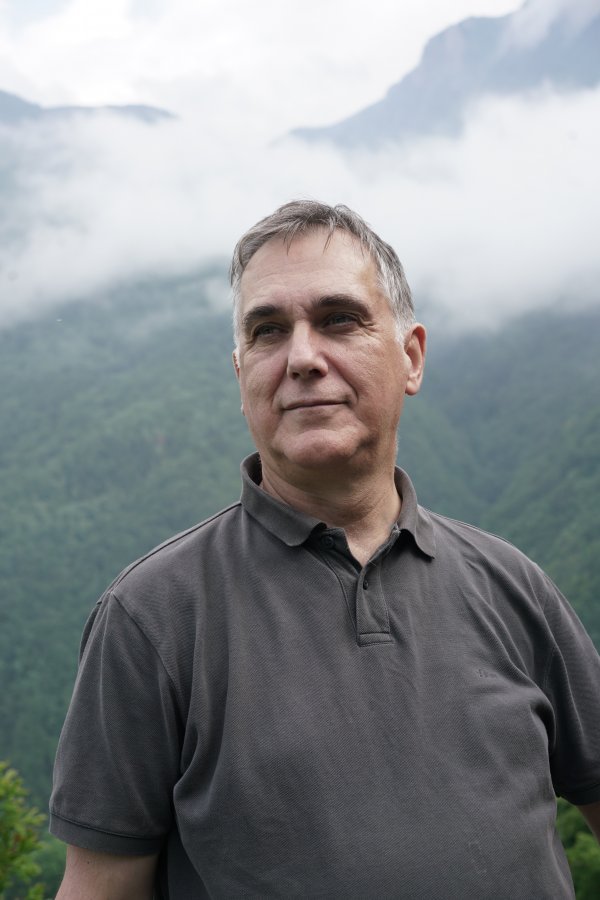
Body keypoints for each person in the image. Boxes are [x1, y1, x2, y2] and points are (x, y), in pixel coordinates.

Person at [50, 200, 600, 899]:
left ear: (411, 358)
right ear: (241, 374)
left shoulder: (514, 586)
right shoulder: (151, 618)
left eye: (339, 319)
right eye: (268, 331)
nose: (303, 358)